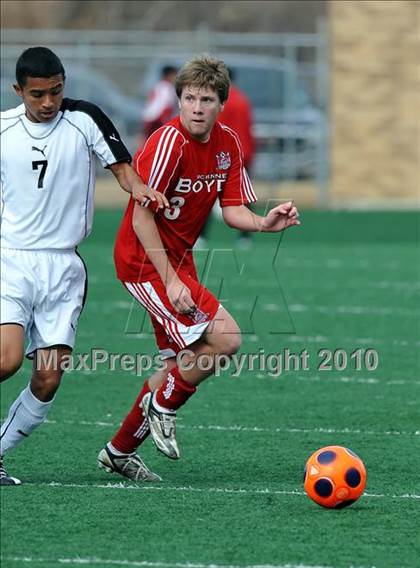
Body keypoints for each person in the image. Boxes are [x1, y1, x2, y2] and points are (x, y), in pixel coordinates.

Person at [97, 55, 300, 482]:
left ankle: (118, 451)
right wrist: (170, 282)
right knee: (226, 339)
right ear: (180, 100)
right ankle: (163, 407)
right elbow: (140, 217)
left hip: (178, 261)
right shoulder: (168, 143)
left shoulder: (227, 143)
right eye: (189, 97)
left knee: (179, 365)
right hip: (142, 261)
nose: (196, 107)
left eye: (206, 99)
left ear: (221, 103)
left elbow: (232, 209)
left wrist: (263, 222)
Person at [0, 46, 168, 486]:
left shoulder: (84, 119)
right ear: (18, 90)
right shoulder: (2, 131)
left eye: (56, 91)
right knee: (6, 359)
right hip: (11, 261)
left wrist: (141, 191)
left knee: (48, 378)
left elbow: (123, 170)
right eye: (37, 94)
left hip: (64, 269)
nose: (48, 102)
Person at [199, 66, 256, 248]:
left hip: (222, 155)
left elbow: (215, 129)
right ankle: (245, 236)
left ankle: (201, 236)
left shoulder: (220, 101)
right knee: (242, 196)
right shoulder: (243, 100)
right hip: (243, 153)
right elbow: (248, 129)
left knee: (205, 194)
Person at [142, 65, 178, 139]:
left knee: (148, 143)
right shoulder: (168, 88)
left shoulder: (158, 86)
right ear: (169, 75)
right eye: (174, 75)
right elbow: (166, 106)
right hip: (157, 120)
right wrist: (165, 122)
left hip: (149, 118)